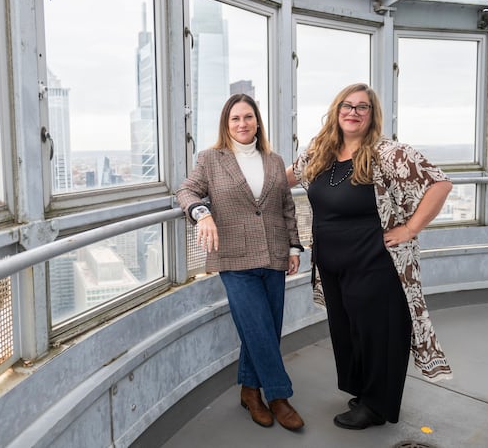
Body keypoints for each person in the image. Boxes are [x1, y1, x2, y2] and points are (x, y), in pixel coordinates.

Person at [286, 82, 453, 430]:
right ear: (336, 111)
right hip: (332, 266)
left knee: (379, 333)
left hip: (375, 263)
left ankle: (377, 407)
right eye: (347, 105)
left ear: (372, 115)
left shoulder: (388, 153)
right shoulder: (320, 153)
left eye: (362, 107)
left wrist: (410, 229)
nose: (353, 112)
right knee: (349, 332)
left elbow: (440, 184)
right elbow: (280, 180)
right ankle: (363, 392)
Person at [176, 93, 305, 431]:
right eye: (235, 119)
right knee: (259, 326)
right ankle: (279, 396)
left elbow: (285, 206)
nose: (242, 124)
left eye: (248, 117)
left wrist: (293, 247)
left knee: (265, 327)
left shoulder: (274, 160)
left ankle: (250, 391)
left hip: (275, 253)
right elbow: (186, 192)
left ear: (257, 121)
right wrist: (201, 214)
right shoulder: (210, 159)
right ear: (226, 124)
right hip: (233, 257)